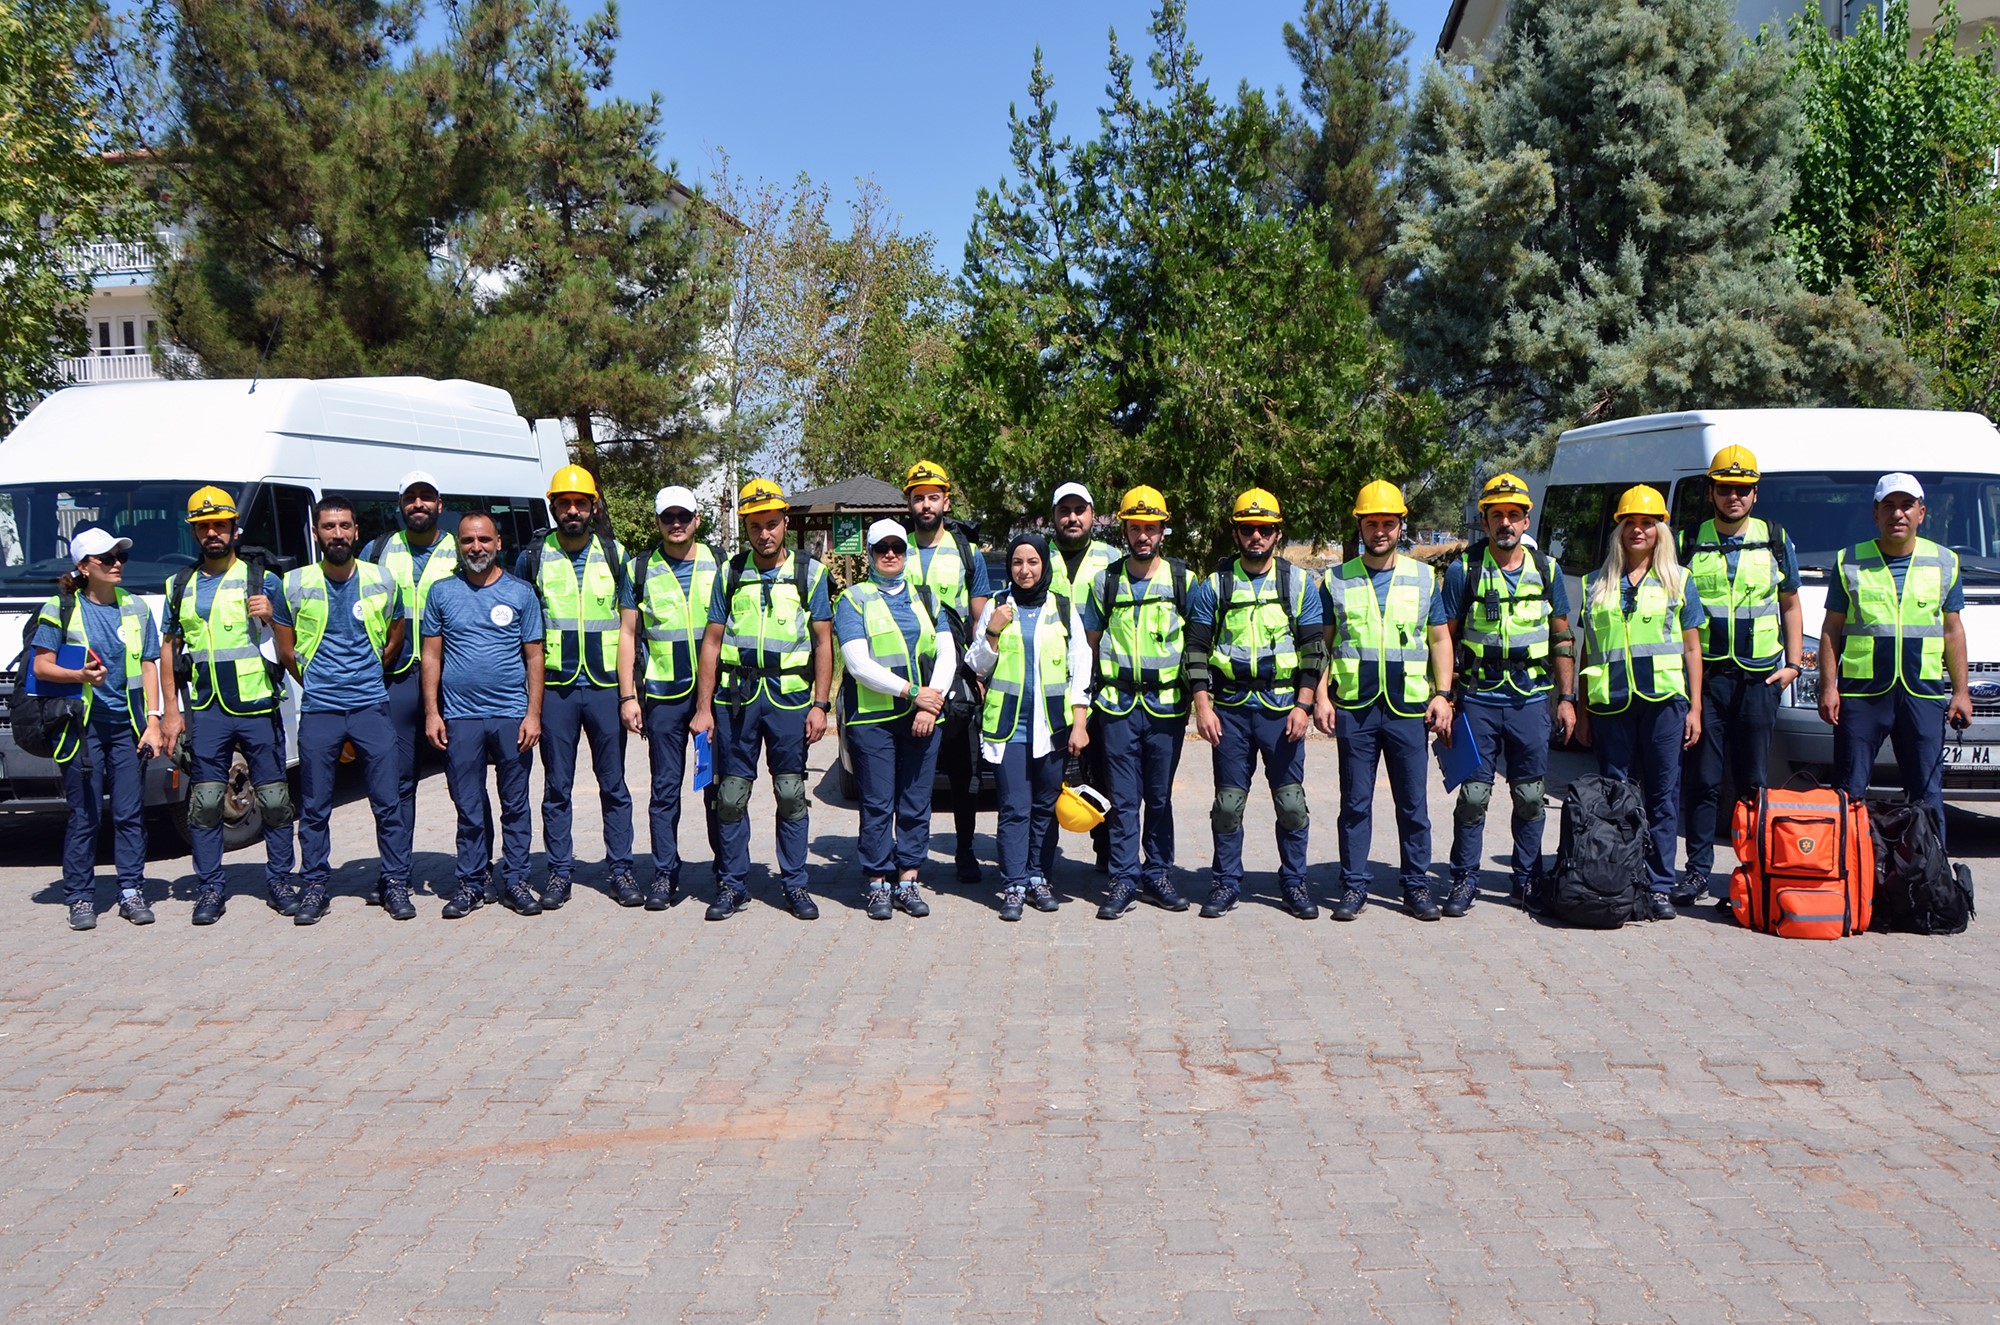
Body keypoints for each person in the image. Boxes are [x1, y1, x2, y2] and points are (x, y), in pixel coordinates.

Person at [691, 477, 835, 922]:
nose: (764, 534)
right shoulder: (731, 573)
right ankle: (733, 885)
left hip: (790, 700)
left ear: (784, 524)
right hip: (736, 702)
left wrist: (821, 704)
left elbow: (824, 643)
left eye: (771, 525)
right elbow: (712, 643)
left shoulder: (811, 572)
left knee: (791, 793)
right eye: (755, 527)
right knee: (730, 796)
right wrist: (702, 709)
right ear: (746, 528)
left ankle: (794, 885)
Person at [1315, 482, 1456, 921]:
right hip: (1355, 707)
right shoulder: (1335, 579)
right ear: (1360, 525)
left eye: (1388, 523)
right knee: (1355, 804)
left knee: (1413, 803)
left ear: (1401, 526)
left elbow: (1439, 639)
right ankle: (1354, 886)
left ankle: (1416, 887)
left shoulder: (1422, 576)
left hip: (1408, 707)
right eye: (1372, 523)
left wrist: (1443, 694)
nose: (1380, 531)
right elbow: (1322, 644)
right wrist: (1320, 696)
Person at [159, 486, 298, 926]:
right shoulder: (178, 585)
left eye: (220, 524)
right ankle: (210, 889)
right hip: (206, 708)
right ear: (195, 534)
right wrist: (171, 711)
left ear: (235, 528)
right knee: (204, 802)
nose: (213, 533)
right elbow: (168, 649)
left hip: (256, 704)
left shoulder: (264, 580)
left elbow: (289, 645)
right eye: (204, 527)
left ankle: (279, 881)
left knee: (274, 800)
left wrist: (271, 615)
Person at [1184, 489, 1324, 919]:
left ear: (1277, 534)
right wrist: (1203, 708)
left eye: (1264, 529)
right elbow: (1196, 650)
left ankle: (1294, 883)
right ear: (1236, 533)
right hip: (1228, 710)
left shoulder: (1298, 583)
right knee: (1228, 805)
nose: (1256, 536)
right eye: (1248, 529)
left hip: (1282, 710)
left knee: (1291, 803)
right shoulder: (1215, 585)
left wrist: (1303, 706)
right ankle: (1226, 883)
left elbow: (1314, 651)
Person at [272, 496, 410, 924]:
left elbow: (395, 639)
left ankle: (396, 882)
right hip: (320, 709)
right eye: (329, 527)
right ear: (316, 533)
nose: (337, 534)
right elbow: (285, 650)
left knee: (388, 802)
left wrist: (366, 676)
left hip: (371, 704)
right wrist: (316, 683)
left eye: (345, 526)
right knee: (314, 806)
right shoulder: (292, 583)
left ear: (356, 532)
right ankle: (315, 885)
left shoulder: (382, 579)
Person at [1440, 473, 1576, 910]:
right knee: (1474, 796)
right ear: (1484, 520)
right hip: (1478, 699)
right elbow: (1444, 636)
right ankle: (1464, 878)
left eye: (1513, 515)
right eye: (1496, 515)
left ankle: (1526, 877)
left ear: (1525, 519)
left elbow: (1562, 638)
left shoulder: (1546, 569)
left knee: (1531, 795)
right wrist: (1442, 694)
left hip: (1532, 699)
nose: (1505, 523)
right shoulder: (1465, 569)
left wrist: (1568, 699)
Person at [1678, 446, 1804, 907]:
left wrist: (1793, 664)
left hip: (1759, 679)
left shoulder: (1774, 537)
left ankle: (1751, 872)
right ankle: (1695, 871)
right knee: (1704, 779)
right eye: (1725, 488)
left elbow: (1790, 603)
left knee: (1753, 782)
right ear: (1711, 491)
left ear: (1754, 494)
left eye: (1743, 489)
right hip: (1707, 680)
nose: (1734, 496)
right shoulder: (1688, 539)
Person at [1819, 472, 1972, 848]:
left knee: (1927, 793)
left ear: (1922, 512)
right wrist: (1828, 687)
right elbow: (1830, 630)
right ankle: (1845, 876)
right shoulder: (1849, 561)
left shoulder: (1944, 562)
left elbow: (1953, 631)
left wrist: (1961, 692)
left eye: (1906, 506)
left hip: (1921, 694)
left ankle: (1930, 879)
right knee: (1849, 791)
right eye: (1889, 506)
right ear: (1875, 513)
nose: (1897, 514)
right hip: (1862, 696)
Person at [1575, 485, 1705, 920]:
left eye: (1647, 523)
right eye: (1630, 522)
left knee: (1663, 795)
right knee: (1616, 796)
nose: (1638, 529)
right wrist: (1581, 708)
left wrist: (1696, 707)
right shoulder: (1596, 582)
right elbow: (1587, 648)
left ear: (1659, 530)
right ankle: (1619, 880)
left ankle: (1659, 884)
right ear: (1619, 529)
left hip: (1664, 702)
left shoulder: (1679, 580)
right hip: (1610, 702)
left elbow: (1691, 649)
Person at [516, 465, 636, 909]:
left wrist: (629, 694)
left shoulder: (614, 553)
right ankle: (560, 873)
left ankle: (621, 870)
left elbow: (629, 627)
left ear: (592, 507)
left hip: (605, 687)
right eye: (563, 503)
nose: (571, 510)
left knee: (614, 785)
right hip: (557, 689)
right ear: (552, 507)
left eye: (579, 503)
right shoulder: (532, 556)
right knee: (557, 787)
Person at [32, 528, 164, 930]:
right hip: (81, 729)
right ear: (84, 567)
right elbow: (41, 666)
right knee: (85, 815)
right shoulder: (60, 607)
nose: (116, 563)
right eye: (106, 558)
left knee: (129, 813)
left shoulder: (136, 607)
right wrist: (79, 676)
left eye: (119, 556)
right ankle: (81, 898)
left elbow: (148, 664)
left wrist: (154, 721)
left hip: (126, 727)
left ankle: (130, 892)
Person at [420, 511, 545, 919]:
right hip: (460, 717)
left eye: (484, 540)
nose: (476, 548)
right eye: (468, 541)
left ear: (498, 544)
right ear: (459, 545)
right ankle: (472, 882)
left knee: (515, 802)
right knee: (468, 804)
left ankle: (516, 879)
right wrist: (432, 713)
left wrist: (533, 715)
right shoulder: (441, 593)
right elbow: (432, 656)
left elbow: (534, 658)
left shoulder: (522, 593)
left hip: (511, 715)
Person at [966, 533, 1093, 922]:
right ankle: (1013, 884)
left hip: (1053, 726)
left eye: (1033, 562)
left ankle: (1040, 877)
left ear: (1044, 565)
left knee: (1044, 808)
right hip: (1008, 727)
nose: (1025, 570)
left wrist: (1080, 722)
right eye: (1018, 562)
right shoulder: (996, 607)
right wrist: (992, 632)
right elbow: (977, 665)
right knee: (1014, 808)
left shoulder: (1064, 607)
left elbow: (1081, 665)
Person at [836, 519, 957, 919]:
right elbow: (857, 663)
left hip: (924, 716)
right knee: (877, 803)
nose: (890, 554)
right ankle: (876, 884)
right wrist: (912, 693)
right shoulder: (853, 599)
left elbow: (947, 654)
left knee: (916, 801)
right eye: (881, 547)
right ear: (869, 553)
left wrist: (929, 702)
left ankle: (908, 880)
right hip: (873, 720)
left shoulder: (927, 598)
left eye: (898, 547)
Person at [1082, 486, 1191, 919]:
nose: (1143, 536)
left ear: (1163, 530)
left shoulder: (1183, 580)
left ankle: (1158, 873)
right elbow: (1090, 645)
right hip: (1117, 708)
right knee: (1124, 800)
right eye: (1135, 528)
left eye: (1151, 528)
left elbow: (1197, 644)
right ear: (1123, 530)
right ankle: (1124, 878)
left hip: (1166, 709)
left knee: (1159, 797)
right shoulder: (1105, 581)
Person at [618, 485, 722, 910]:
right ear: (658, 522)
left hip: (715, 698)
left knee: (718, 789)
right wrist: (628, 696)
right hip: (663, 696)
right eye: (668, 517)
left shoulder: (724, 565)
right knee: (664, 791)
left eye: (684, 516)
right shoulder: (639, 568)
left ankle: (726, 871)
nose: (676, 523)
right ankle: (664, 873)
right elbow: (627, 634)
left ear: (698, 519)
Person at [368, 471, 457, 909]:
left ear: (440, 504)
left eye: (426, 497)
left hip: (453, 682)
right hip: (398, 679)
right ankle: (395, 876)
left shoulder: (461, 549)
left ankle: (471, 872)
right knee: (397, 783)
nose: (418, 504)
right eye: (410, 498)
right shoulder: (379, 550)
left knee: (465, 782)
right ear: (400, 505)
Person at [900, 459, 990, 883]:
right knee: (908, 768)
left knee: (962, 768)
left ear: (945, 501)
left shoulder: (966, 551)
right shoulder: (893, 547)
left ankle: (966, 850)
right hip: (906, 670)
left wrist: (981, 675)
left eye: (933, 497)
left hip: (956, 673)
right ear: (910, 503)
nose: (926, 505)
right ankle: (907, 855)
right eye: (918, 498)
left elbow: (980, 619)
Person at [1048, 481, 1120, 873]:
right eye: (1065, 510)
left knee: (1105, 770)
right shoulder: (1041, 556)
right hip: (1052, 683)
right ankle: (1042, 862)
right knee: (1050, 775)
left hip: (1103, 682)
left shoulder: (1111, 558)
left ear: (1093, 515)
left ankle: (1108, 855)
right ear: (1053, 517)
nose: (1072, 517)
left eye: (1080, 510)